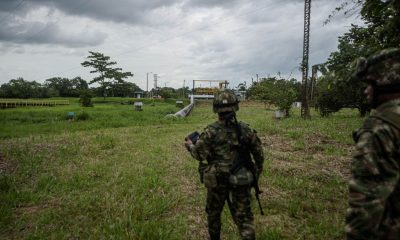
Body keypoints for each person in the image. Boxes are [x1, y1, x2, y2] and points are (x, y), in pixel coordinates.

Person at [185, 89, 264, 240]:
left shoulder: (210, 132)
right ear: (236, 107)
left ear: (216, 109)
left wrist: (190, 145)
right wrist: (257, 171)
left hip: (217, 180)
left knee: (214, 213)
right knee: (244, 218)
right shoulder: (246, 130)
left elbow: (198, 154)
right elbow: (259, 154)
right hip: (241, 179)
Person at [346, 48, 400, 239]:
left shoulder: (378, 129)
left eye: (370, 84)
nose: (366, 90)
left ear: (386, 84)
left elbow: (366, 200)